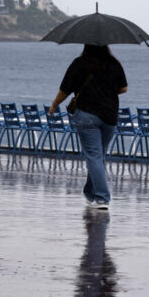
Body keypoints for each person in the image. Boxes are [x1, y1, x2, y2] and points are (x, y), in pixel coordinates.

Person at [50, 44, 127, 210]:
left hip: (86, 114)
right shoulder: (114, 63)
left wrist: (54, 104)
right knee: (99, 156)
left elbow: (64, 90)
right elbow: (123, 88)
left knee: (94, 156)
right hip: (109, 115)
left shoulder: (79, 63)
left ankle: (102, 198)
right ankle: (89, 193)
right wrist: (106, 90)